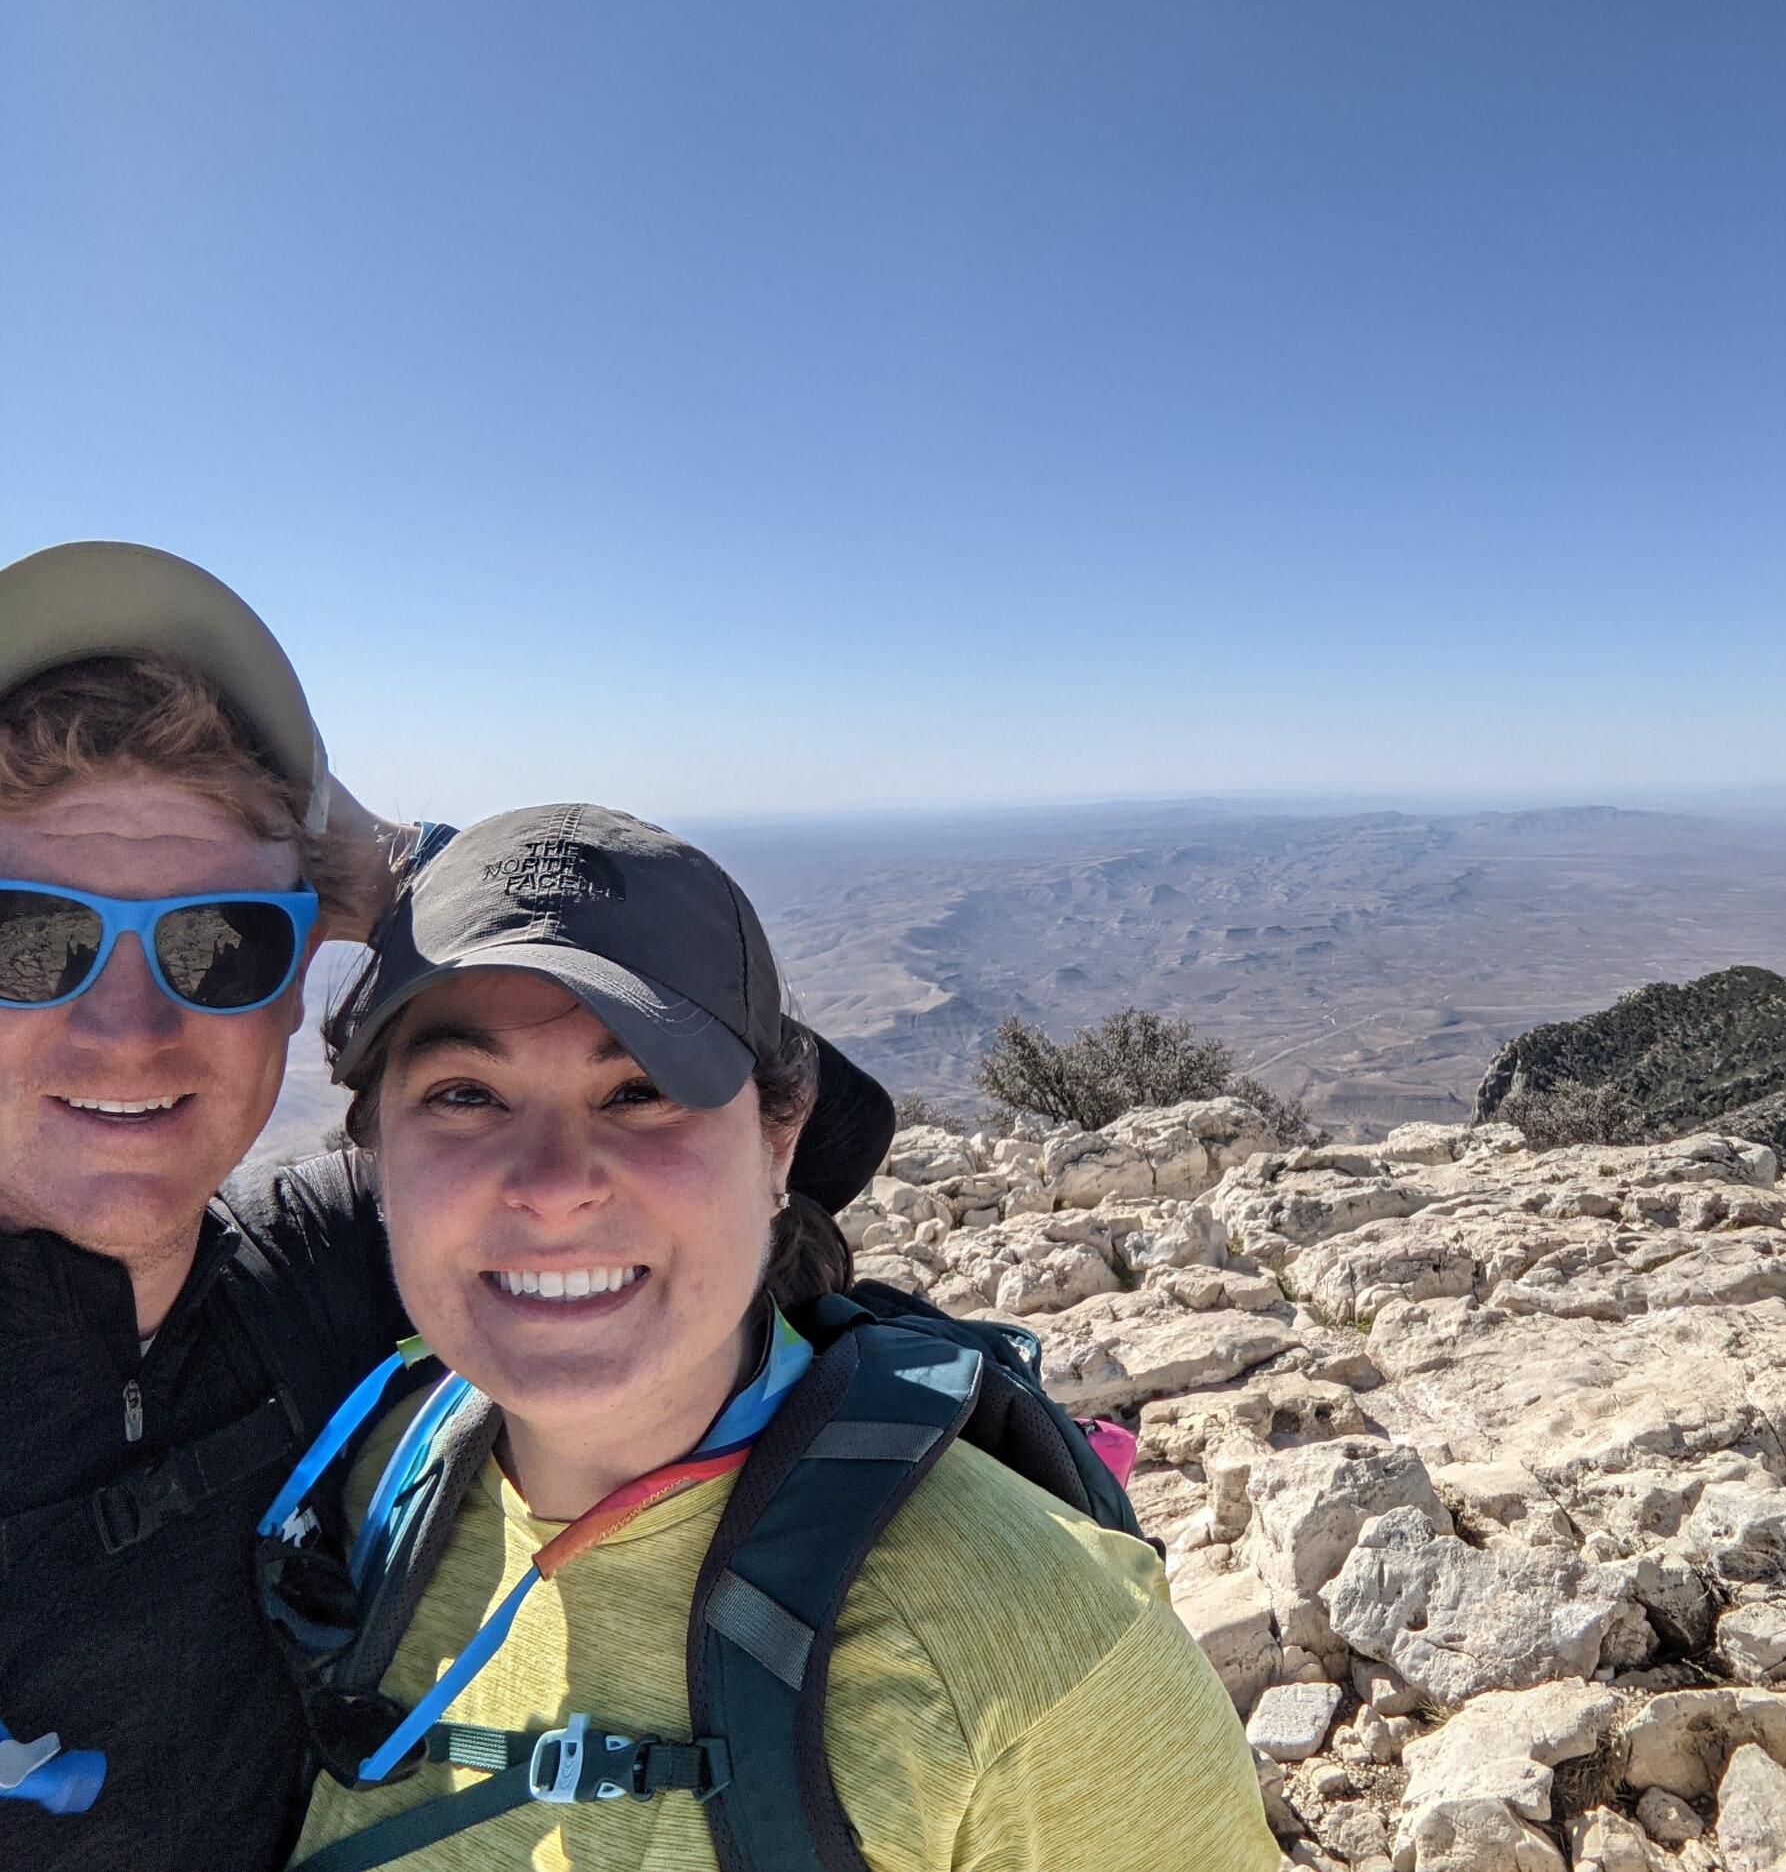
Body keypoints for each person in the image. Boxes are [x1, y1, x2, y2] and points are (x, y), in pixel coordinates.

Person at [0, 542, 894, 1872]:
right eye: (31, 936)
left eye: (219, 941)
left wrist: (400, 877)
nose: (128, 1031)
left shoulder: (313, 1275)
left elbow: (794, 1142)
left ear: (304, 970)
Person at [275, 803, 1276, 1872]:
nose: (555, 1186)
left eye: (641, 1091)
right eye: (465, 1094)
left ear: (778, 1140)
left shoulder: (1036, 1657)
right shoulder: (365, 1479)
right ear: (378, 1152)